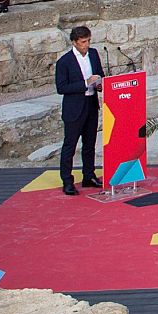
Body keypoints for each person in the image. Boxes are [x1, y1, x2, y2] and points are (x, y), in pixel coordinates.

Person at [53, 25, 104, 195]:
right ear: (74, 42)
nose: (86, 45)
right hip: (74, 108)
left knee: (89, 144)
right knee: (70, 145)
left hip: (91, 104)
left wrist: (99, 84)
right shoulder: (64, 62)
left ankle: (88, 175)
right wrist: (85, 83)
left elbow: (100, 74)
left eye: (88, 41)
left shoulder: (94, 54)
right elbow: (61, 87)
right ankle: (67, 181)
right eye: (83, 42)